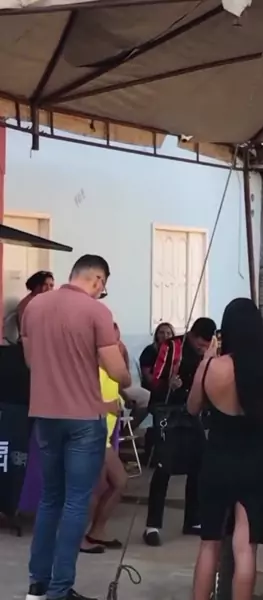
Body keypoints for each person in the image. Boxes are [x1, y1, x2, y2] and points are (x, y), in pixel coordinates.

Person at [23, 255, 131, 600]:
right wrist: (127, 379)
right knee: (75, 503)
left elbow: (31, 361)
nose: (101, 292)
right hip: (84, 419)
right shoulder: (96, 311)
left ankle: (37, 585)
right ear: (98, 279)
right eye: (103, 286)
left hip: (44, 415)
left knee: (50, 499)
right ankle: (60, 589)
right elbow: (116, 371)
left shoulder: (34, 307)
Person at [188, 298, 263, 600]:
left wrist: (207, 359)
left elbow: (192, 407)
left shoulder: (212, 368)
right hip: (257, 460)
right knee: (246, 548)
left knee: (210, 544)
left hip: (218, 458)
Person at [143, 317, 216, 547]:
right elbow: (154, 380)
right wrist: (168, 383)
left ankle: (192, 519)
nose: (202, 348)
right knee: (163, 466)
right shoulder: (172, 346)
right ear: (193, 335)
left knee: (199, 464)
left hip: (191, 412)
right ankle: (152, 525)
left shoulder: (209, 353)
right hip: (167, 411)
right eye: (200, 343)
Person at [81, 324, 128, 554]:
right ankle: (79, 536)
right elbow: (79, 401)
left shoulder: (112, 370)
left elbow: (121, 387)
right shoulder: (88, 368)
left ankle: (97, 530)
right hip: (91, 434)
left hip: (104, 435)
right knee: (97, 486)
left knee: (117, 482)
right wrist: (106, 406)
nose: (116, 345)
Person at [139, 322, 175, 390]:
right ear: (156, 335)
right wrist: (166, 384)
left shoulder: (174, 352)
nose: (165, 336)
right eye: (161, 333)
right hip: (153, 388)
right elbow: (147, 377)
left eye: (168, 333)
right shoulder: (149, 350)